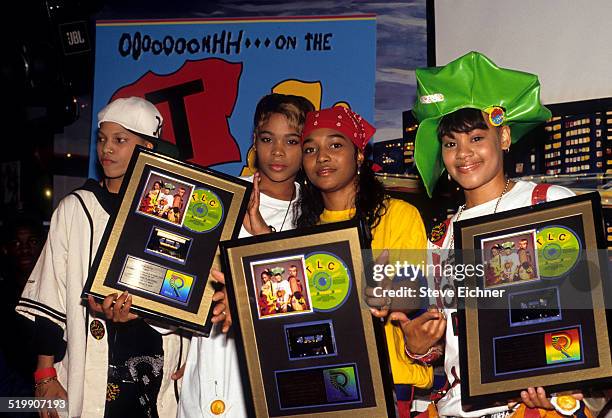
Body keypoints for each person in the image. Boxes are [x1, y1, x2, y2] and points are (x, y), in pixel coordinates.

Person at [390, 51, 582, 417]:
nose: (463, 154)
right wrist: (416, 346)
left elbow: (587, 311)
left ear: (504, 136)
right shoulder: (442, 238)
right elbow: (446, 341)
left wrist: (563, 379)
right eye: (450, 144)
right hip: (458, 408)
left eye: (477, 138)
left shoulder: (547, 204)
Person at [15, 96, 193, 418]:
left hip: (156, 366)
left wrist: (191, 362)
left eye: (120, 140)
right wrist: (44, 376)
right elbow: (50, 295)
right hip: (91, 369)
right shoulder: (77, 208)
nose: (106, 149)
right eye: (102, 139)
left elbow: (189, 295)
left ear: (147, 149)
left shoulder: (174, 213)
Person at [179, 93, 314, 417]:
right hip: (212, 360)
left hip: (279, 373)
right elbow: (183, 278)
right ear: (254, 140)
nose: (278, 152)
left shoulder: (315, 213)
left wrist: (262, 241)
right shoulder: (219, 200)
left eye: (292, 141)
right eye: (268, 139)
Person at [297, 105, 431, 416]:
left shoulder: (398, 215)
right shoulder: (301, 231)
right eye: (310, 149)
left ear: (358, 154)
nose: (322, 156)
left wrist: (387, 292)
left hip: (387, 379)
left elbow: (415, 293)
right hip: (319, 378)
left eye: (335, 145)